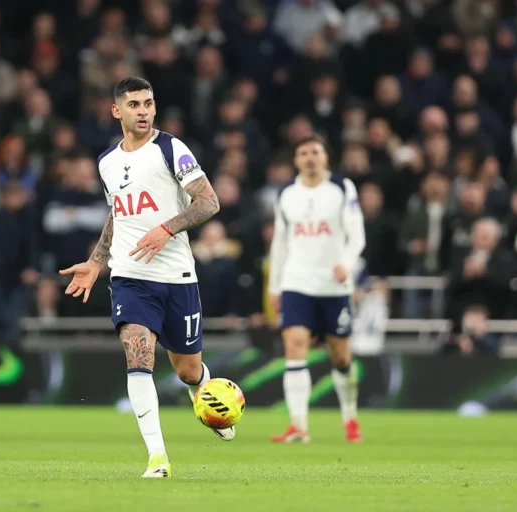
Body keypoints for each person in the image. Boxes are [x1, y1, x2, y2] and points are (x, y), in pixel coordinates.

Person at [60, 77, 228, 478]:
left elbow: (209, 201)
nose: (143, 111)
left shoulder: (171, 148)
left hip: (177, 276)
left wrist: (167, 229)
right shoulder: (106, 162)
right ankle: (158, 457)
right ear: (117, 111)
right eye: (134, 104)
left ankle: (206, 396)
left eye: (149, 103)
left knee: (188, 370)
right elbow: (118, 214)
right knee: (138, 357)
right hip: (130, 276)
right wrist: (97, 260)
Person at [268, 134, 366, 443]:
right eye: (303, 153)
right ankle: (299, 426)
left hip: (334, 284)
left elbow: (357, 234)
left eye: (315, 152)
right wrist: (275, 286)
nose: (310, 157)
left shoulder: (341, 188)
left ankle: (350, 417)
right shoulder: (286, 193)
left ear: (325, 157)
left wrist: (347, 263)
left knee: (340, 355)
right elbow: (280, 242)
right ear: (296, 160)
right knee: (294, 344)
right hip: (297, 281)